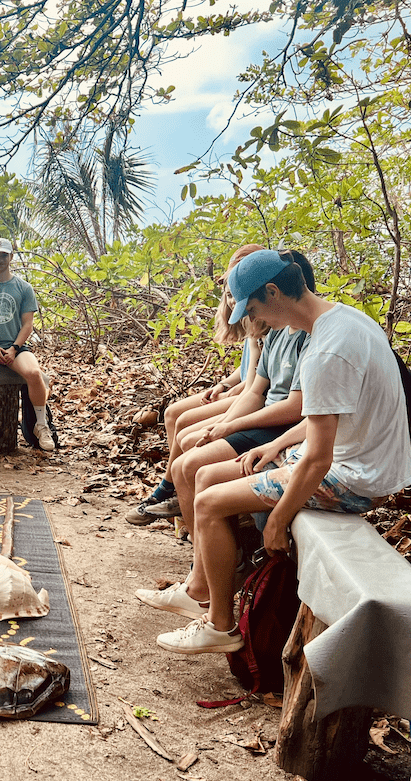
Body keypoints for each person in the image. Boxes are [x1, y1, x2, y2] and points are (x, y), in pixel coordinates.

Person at [139, 249, 411, 653]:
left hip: (354, 477)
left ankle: (219, 627)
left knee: (211, 503)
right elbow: (328, 418)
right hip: (353, 458)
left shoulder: (324, 351)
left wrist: (277, 520)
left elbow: (318, 459)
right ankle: (203, 588)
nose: (256, 320)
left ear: (273, 292)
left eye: (253, 308)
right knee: (209, 475)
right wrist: (276, 444)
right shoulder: (346, 320)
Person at [127, 244, 266, 525]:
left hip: (254, 401)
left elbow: (256, 386)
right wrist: (225, 385)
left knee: (186, 426)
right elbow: (246, 371)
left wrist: (228, 408)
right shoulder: (251, 320)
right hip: (243, 390)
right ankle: (177, 493)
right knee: (172, 413)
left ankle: (171, 491)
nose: (228, 298)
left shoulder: (264, 321)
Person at [0, 238, 53, 451]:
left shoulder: (23, 288)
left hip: (17, 346)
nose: (0, 260)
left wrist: (14, 348)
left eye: (4, 255)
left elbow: (27, 324)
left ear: (11, 257)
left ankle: (41, 425)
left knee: (34, 373)